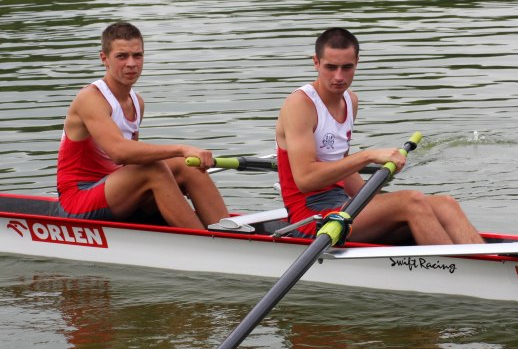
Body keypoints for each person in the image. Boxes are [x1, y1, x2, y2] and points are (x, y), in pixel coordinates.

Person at [275, 27, 484, 245]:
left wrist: (382, 205)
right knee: (411, 201)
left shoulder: (350, 101)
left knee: (446, 204)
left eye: (347, 67)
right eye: (331, 67)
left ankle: (488, 265)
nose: (339, 77)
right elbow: (306, 179)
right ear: (316, 62)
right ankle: (457, 273)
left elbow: (342, 170)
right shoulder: (300, 105)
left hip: (342, 207)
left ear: (357, 62)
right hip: (311, 218)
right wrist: (368, 156)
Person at [56, 21, 228, 229]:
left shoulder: (137, 102)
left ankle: (229, 234)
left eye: (137, 55)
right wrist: (181, 149)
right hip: (77, 203)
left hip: (115, 193)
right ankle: (207, 246)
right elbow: (119, 152)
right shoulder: (90, 98)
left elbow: (130, 162)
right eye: (122, 56)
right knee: (156, 167)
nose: (131, 63)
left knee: (188, 166)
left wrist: (175, 181)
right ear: (104, 59)